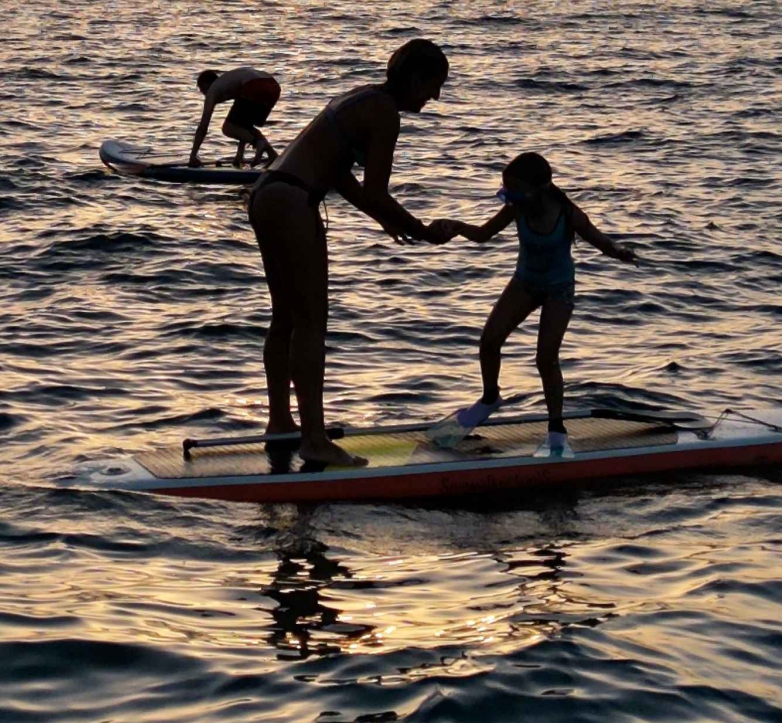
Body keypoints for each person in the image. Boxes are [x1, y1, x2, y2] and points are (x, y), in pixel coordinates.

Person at [247, 39, 456, 466]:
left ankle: (281, 422)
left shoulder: (362, 97)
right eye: (434, 85)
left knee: (285, 316)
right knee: (311, 322)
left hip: (268, 194)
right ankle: (313, 440)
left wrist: (381, 218)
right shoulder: (384, 114)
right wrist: (422, 230)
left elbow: (339, 171)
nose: (434, 97)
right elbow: (378, 191)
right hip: (293, 202)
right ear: (414, 78)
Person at [431, 152, 637, 456]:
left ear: (538, 189)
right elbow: (483, 234)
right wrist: (456, 226)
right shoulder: (516, 209)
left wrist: (619, 251)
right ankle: (490, 398)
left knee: (545, 358)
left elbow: (598, 239)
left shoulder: (567, 213)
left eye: (514, 191)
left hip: (558, 288)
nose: (509, 197)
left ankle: (557, 430)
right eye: (506, 192)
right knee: (489, 340)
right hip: (525, 283)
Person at [189, 68, 281, 169]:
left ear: (205, 85)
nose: (202, 92)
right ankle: (272, 156)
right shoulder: (229, 84)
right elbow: (242, 127)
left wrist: (193, 155)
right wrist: (239, 155)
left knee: (228, 128)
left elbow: (203, 127)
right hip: (273, 86)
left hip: (255, 85)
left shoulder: (213, 90)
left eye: (201, 89)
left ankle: (258, 142)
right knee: (246, 128)